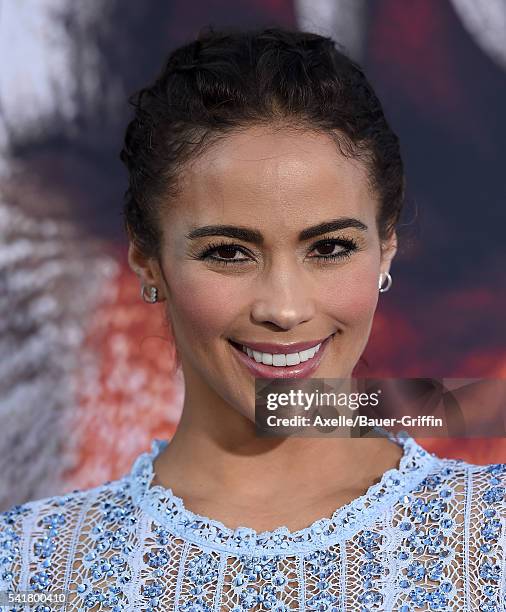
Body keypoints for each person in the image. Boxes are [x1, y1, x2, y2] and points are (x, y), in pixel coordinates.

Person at [0, 26, 504, 612]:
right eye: (228, 253)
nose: (284, 308)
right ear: (147, 257)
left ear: (385, 249)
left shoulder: (488, 543)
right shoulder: (33, 565)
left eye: (330, 248)